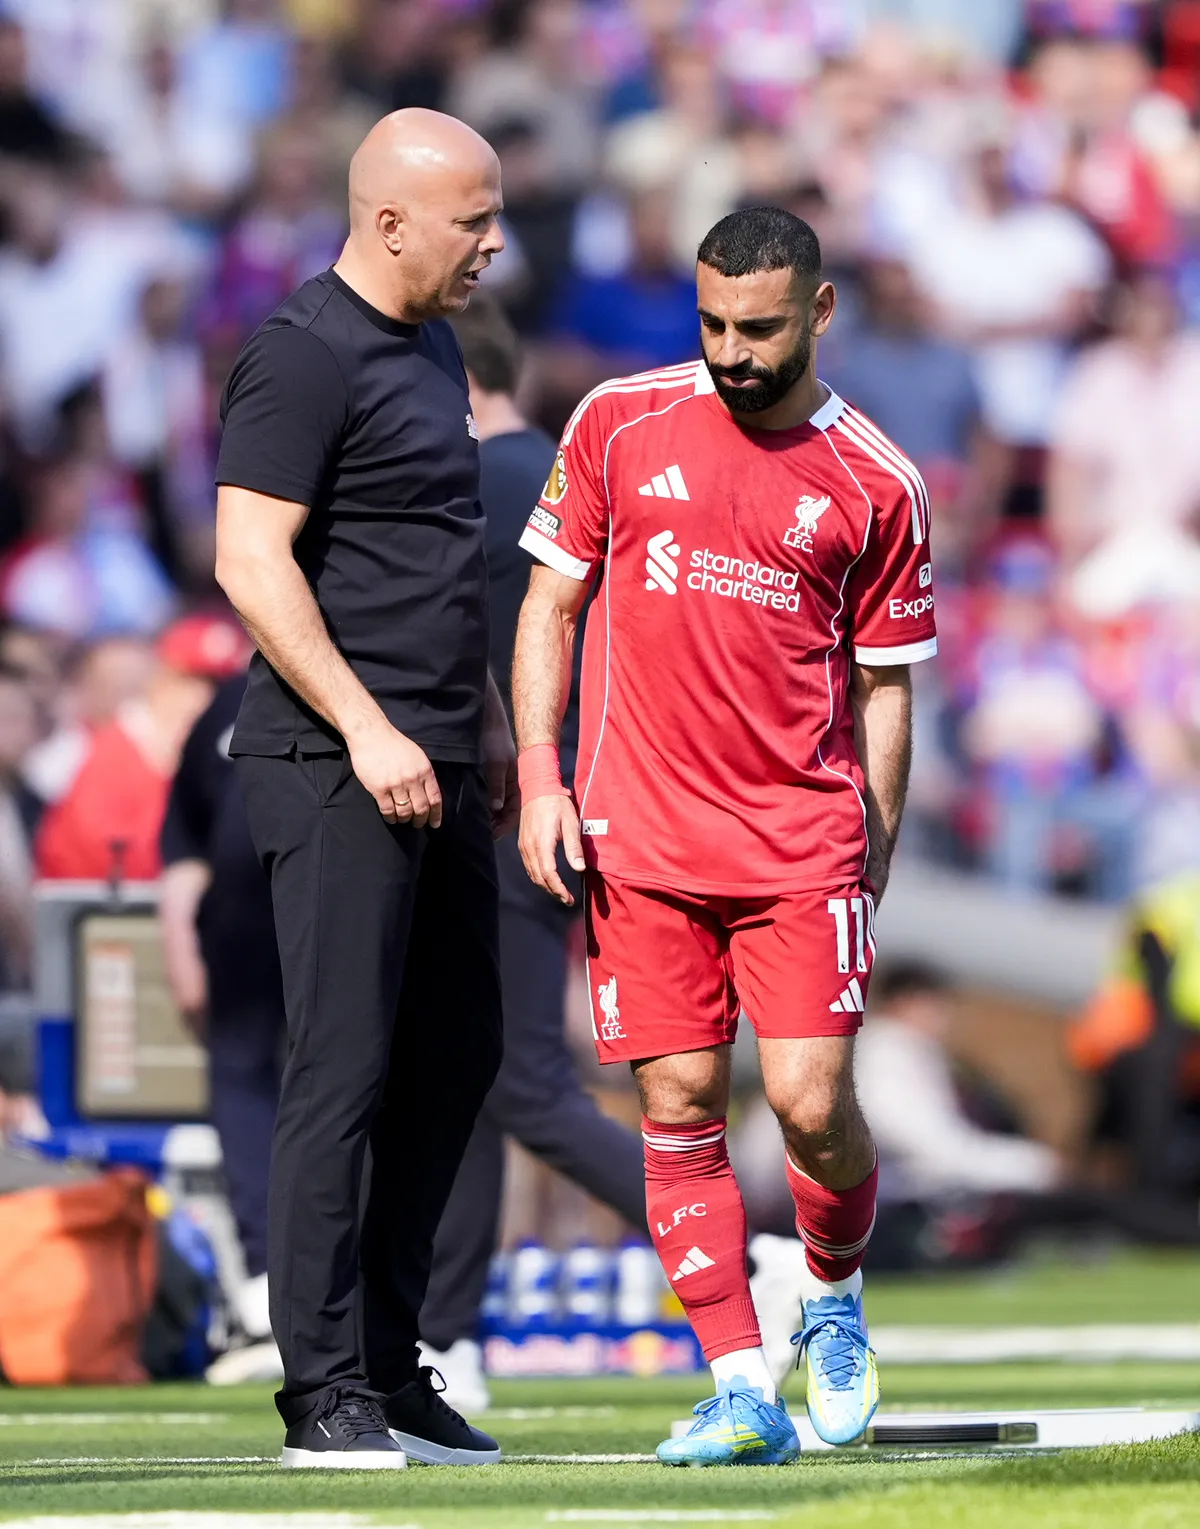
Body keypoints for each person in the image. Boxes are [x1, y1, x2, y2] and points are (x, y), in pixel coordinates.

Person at [513, 206, 936, 1465]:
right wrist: (540, 775)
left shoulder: (879, 482)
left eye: (757, 328)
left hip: (801, 839)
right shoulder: (615, 422)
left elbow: (886, 688)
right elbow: (551, 603)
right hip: (636, 836)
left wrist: (880, 848)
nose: (731, 351)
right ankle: (742, 1381)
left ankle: (836, 1295)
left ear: (818, 313)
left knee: (811, 1105)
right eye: (711, 325)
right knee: (681, 1101)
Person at [214, 108, 514, 1469]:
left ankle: (392, 1365)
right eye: (472, 218)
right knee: (340, 1072)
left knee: (460, 1058)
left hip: (449, 758)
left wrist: (494, 727)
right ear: (389, 219)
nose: (494, 243)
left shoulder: (439, 345)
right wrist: (369, 726)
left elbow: (437, 562)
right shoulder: (300, 353)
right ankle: (318, 1387)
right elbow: (250, 560)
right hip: (338, 764)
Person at [418, 294, 648, 1412]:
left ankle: (743, 1246)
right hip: (569, 796)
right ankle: (444, 1330)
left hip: (515, 804)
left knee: (519, 1080)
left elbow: (452, 645)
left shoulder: (487, 483)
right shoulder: (567, 473)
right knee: (471, 1073)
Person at [159, 669, 284, 1349]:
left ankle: (350, 1280)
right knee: (240, 1079)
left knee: (351, 1084)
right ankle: (266, 1283)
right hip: (241, 923)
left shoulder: (369, 680)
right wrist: (180, 938)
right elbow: (182, 840)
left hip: (336, 915)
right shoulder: (229, 702)